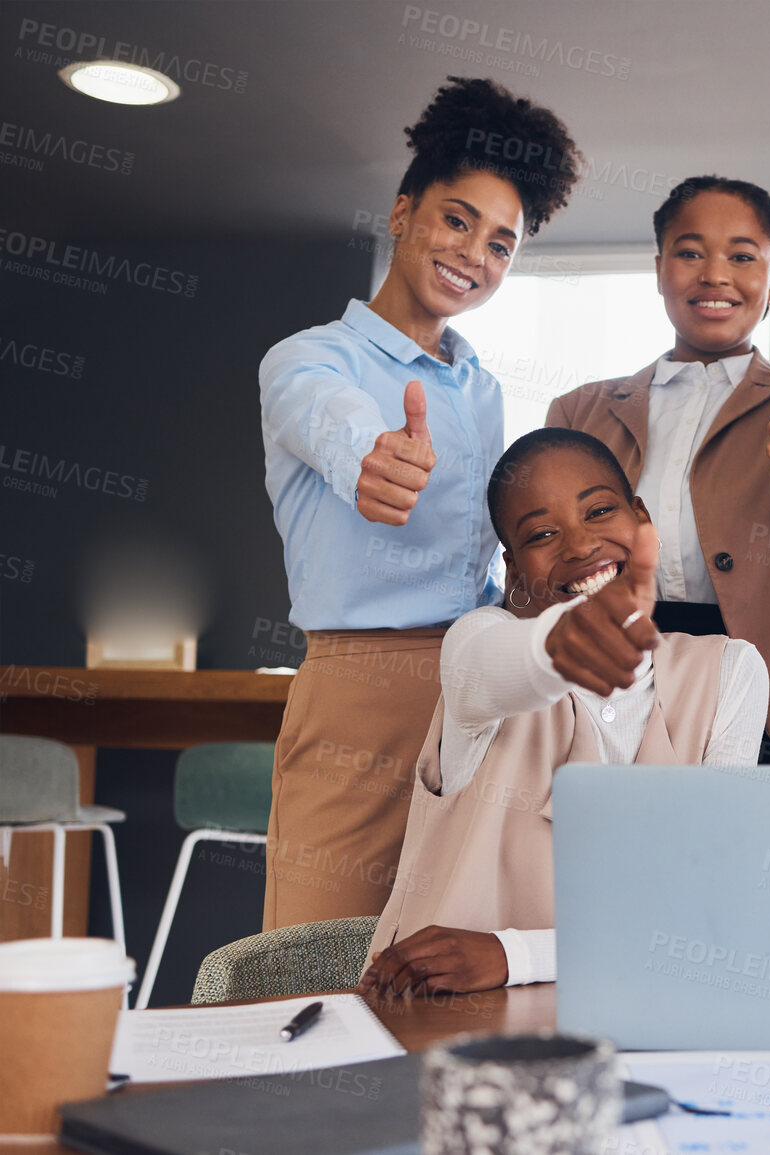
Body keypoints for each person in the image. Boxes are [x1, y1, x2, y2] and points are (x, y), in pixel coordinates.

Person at [258, 77, 580, 929]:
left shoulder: (480, 389)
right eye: (457, 219)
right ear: (403, 213)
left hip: (474, 683)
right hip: (359, 689)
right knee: (319, 954)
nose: (476, 254)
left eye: (503, 244)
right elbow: (336, 426)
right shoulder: (307, 360)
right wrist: (373, 458)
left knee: (448, 954)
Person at [361, 428, 768, 993]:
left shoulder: (729, 672)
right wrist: (563, 642)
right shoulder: (475, 647)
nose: (579, 547)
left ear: (642, 515)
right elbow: (494, 664)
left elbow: (709, 911)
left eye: (599, 510)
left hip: (650, 1015)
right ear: (514, 569)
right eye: (542, 534)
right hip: (445, 1027)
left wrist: (516, 955)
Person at [546, 176, 770, 765]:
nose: (715, 275)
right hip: (616, 670)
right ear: (659, 270)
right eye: (690, 253)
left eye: (742, 256)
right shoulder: (580, 409)